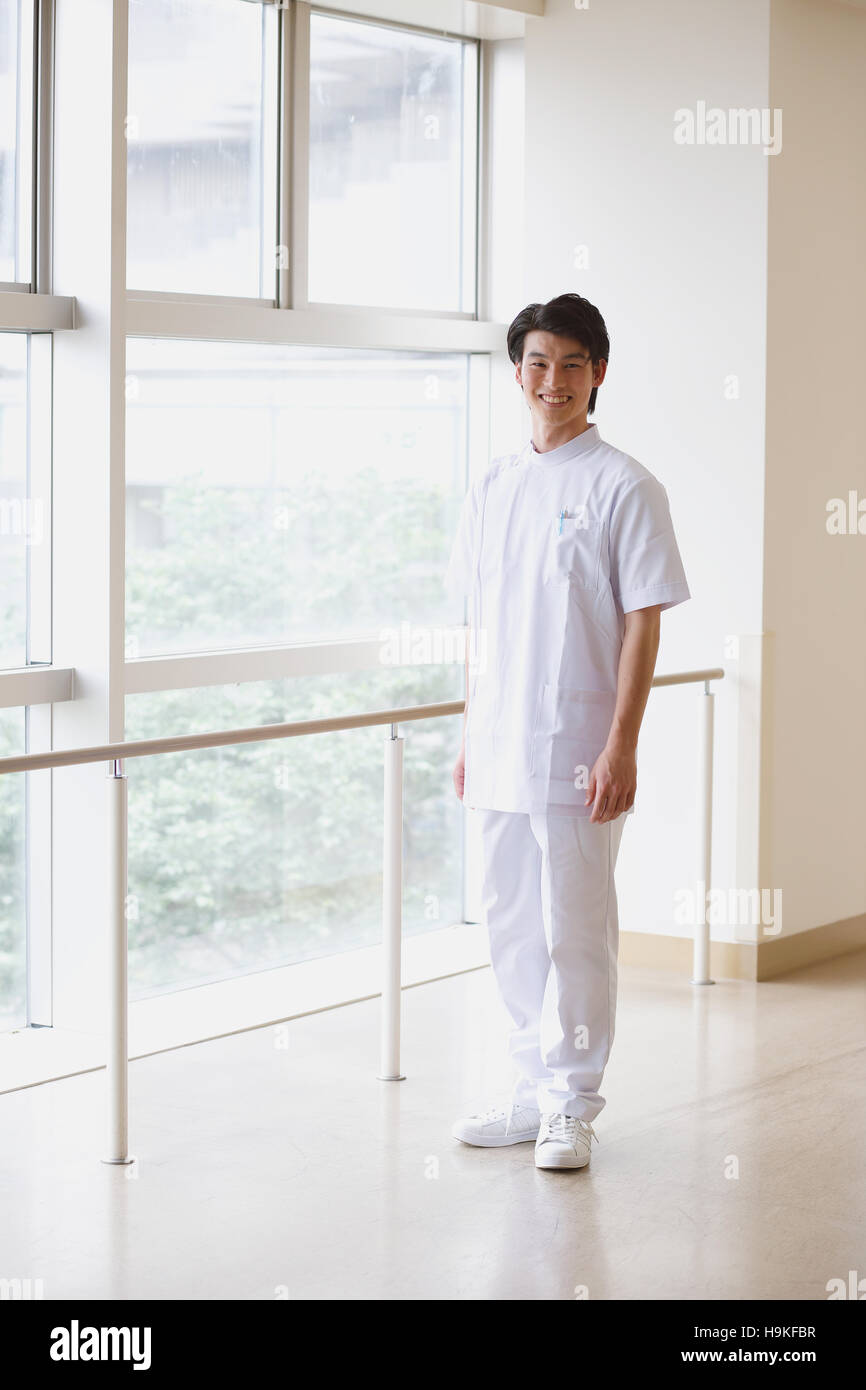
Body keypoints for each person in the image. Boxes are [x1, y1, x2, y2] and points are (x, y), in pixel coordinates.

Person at [445, 292, 691, 1170]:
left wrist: (621, 743)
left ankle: (573, 1104)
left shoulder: (625, 484)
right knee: (510, 921)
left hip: (581, 747)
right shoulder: (494, 485)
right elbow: (489, 623)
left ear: (599, 374)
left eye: (573, 365)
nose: (554, 381)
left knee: (576, 929)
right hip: (502, 745)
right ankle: (524, 1088)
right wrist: (474, 733)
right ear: (518, 370)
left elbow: (642, 624)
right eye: (540, 363)